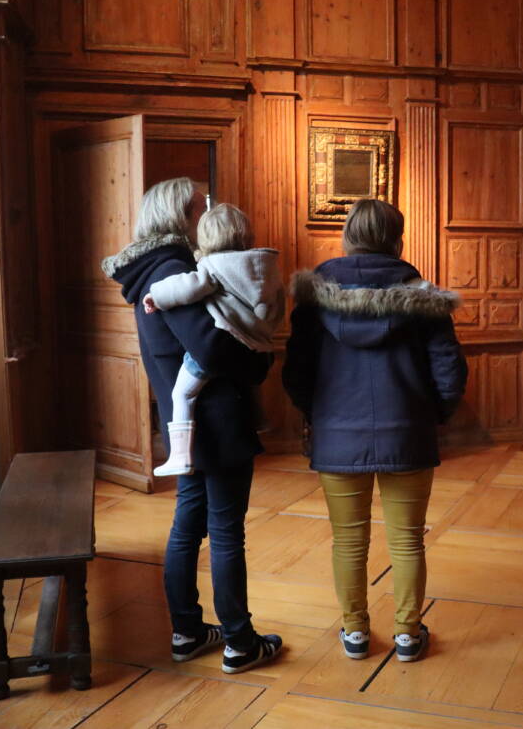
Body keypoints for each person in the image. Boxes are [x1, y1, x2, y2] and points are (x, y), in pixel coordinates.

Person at [101, 178, 282, 674]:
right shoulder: (173, 269)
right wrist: (261, 360)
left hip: (187, 423)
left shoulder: (150, 271)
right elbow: (212, 348)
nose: (205, 216)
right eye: (199, 208)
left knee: (188, 527)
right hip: (216, 422)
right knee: (224, 533)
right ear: (179, 216)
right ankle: (240, 643)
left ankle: (187, 632)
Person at [283, 199, 467, 663]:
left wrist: (318, 414)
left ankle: (355, 632)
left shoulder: (314, 297)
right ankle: (408, 634)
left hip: (337, 434)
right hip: (408, 431)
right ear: (396, 241)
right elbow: (450, 371)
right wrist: (430, 415)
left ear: (347, 237)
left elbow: (296, 373)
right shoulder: (422, 297)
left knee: (348, 540)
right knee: (407, 540)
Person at [142, 203, 283, 477]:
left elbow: (187, 287)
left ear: (205, 237)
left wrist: (155, 296)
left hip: (223, 340)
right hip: (254, 345)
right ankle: (261, 421)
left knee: (182, 394)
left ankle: (180, 456)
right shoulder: (267, 266)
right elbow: (276, 309)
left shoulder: (213, 266)